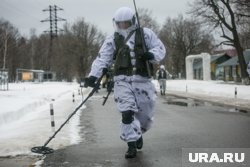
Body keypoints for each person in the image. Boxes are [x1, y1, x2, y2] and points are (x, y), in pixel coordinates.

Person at [84, 6, 166, 159]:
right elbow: (103, 58)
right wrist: (93, 76)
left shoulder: (146, 34)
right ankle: (131, 145)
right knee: (127, 112)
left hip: (142, 80)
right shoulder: (112, 39)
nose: (123, 27)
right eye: (120, 24)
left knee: (145, 116)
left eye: (126, 23)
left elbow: (160, 48)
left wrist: (151, 54)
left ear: (133, 21)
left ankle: (137, 133)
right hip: (122, 81)